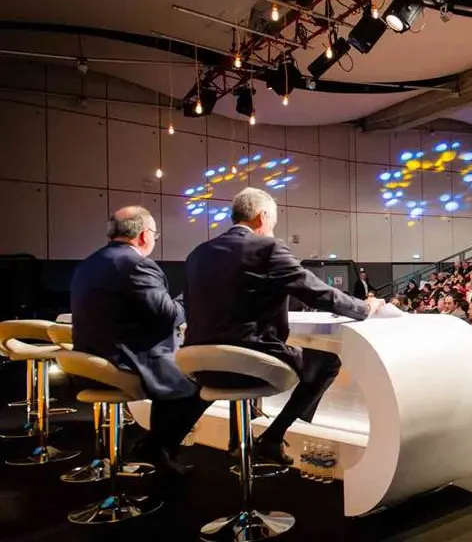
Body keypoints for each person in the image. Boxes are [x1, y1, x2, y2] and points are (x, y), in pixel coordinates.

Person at [183, 188, 383, 465]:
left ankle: (236, 439)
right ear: (262, 215)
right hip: (248, 363)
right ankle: (273, 437)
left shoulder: (198, 254)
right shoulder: (267, 247)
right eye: (273, 220)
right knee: (327, 362)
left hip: (200, 365)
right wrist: (365, 307)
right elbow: (317, 293)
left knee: (233, 360)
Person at [71, 206, 196, 474]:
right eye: (154, 234)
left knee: (176, 375)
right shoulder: (137, 264)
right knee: (198, 383)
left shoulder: (89, 262)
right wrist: (191, 297)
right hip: (123, 361)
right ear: (143, 235)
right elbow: (167, 317)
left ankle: (158, 451)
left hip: (88, 360)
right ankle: (156, 447)